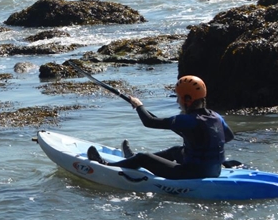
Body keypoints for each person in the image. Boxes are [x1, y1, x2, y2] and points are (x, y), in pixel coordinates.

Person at [87, 75, 234, 179]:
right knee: (176, 151)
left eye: (178, 97)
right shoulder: (216, 116)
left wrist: (139, 105)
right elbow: (228, 137)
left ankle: (106, 165)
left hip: (193, 173)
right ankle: (131, 160)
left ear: (188, 99)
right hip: (215, 170)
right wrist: (200, 140)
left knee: (143, 158)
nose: (177, 101)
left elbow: (149, 122)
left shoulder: (188, 120)